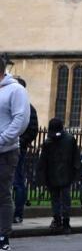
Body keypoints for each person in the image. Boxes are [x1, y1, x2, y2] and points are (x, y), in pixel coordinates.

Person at [0, 54, 32, 251]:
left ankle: (3, 235)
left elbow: (21, 120)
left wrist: (2, 139)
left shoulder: (16, 90)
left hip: (6, 151)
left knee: (2, 194)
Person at [37, 117, 80, 234]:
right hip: (65, 173)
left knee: (56, 199)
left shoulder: (48, 141)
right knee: (65, 199)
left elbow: (42, 161)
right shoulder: (70, 139)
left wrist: (41, 176)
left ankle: (58, 221)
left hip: (53, 174)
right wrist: (76, 171)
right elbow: (76, 157)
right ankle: (65, 223)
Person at [12, 77, 38, 225]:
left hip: (17, 149)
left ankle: (18, 213)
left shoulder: (29, 108)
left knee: (18, 182)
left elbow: (33, 130)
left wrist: (19, 142)